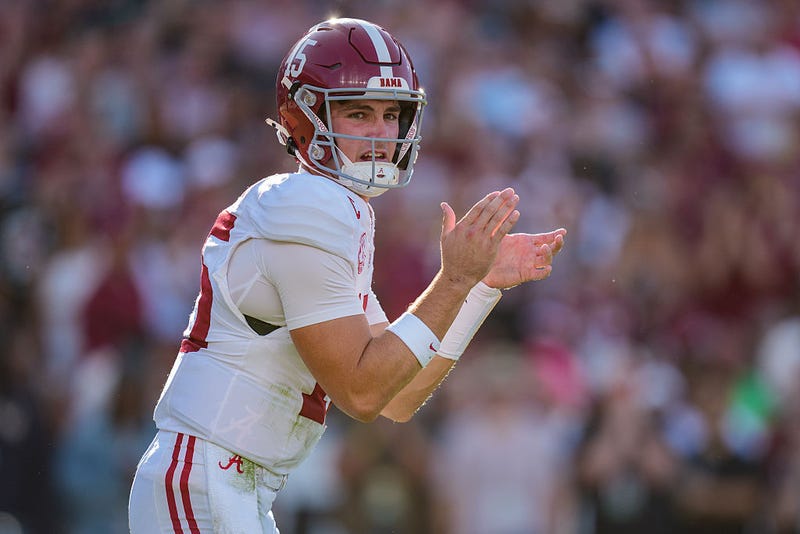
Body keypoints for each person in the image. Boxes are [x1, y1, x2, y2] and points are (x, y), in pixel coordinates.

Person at [128, 17, 566, 533]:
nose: (382, 134)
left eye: (391, 114)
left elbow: (398, 395)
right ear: (303, 118)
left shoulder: (327, 209)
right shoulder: (309, 205)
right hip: (206, 478)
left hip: (228, 481)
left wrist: (475, 286)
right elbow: (361, 392)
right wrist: (451, 280)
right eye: (358, 113)